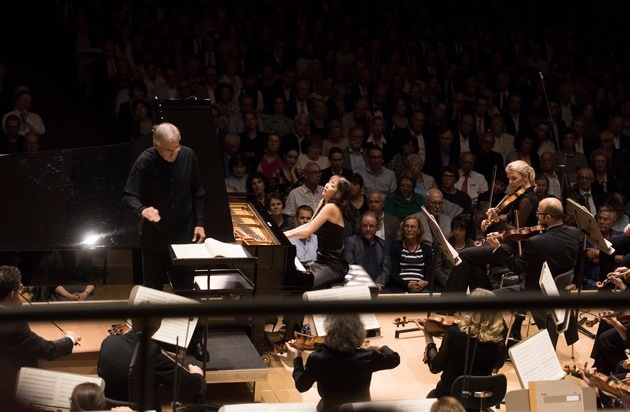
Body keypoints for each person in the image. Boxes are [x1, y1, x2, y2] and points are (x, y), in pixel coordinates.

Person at [121, 122, 206, 290]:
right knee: (153, 291)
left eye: (177, 147)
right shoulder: (145, 160)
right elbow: (128, 195)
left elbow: (198, 192)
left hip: (184, 236)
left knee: (186, 289)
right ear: (156, 145)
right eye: (168, 150)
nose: (174, 154)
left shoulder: (188, 155)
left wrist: (199, 222)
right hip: (155, 238)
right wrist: (142, 209)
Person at [490, 197, 581, 347]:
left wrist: (498, 249)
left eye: (539, 213)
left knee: (489, 298)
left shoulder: (537, 242)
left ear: (548, 217)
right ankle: (515, 329)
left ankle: (503, 343)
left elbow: (517, 267)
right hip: (560, 290)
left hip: (536, 292)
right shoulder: (574, 233)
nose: (536, 215)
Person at [443, 160, 539, 293]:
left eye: (514, 178)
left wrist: (497, 222)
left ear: (526, 177)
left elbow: (515, 231)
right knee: (473, 259)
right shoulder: (520, 196)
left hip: (518, 249)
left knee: (464, 255)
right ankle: (486, 298)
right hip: (511, 244)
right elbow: (508, 217)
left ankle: (449, 301)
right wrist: (492, 219)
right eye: (509, 178)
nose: (510, 182)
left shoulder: (527, 200)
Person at [285, 313, 400, 412]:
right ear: (359, 331)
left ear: (329, 331)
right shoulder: (368, 357)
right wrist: (380, 347)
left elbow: (301, 386)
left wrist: (297, 358)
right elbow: (394, 359)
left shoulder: (318, 358)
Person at [0, 266, 80, 395]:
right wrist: (70, 339)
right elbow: (48, 350)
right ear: (11, 294)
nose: (21, 290)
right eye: (19, 288)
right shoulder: (13, 324)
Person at [97, 316, 205, 411]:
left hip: (108, 407)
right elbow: (194, 386)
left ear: (132, 321)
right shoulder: (151, 353)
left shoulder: (108, 341)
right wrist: (198, 375)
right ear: (158, 325)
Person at [424, 288, 505, 398]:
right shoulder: (499, 342)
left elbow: (435, 367)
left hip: (449, 398)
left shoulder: (454, 334)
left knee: (431, 396)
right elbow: (497, 365)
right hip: (478, 401)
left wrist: (428, 337)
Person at [284, 175, 351, 290]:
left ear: (338, 193)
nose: (327, 185)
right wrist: (284, 234)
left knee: (301, 285)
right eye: (328, 182)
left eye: (332, 185)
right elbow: (308, 225)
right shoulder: (323, 202)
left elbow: (307, 232)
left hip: (334, 265)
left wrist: (283, 236)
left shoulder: (331, 207)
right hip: (321, 260)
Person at [344, 211, 391, 293]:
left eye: (371, 226)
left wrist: (378, 284)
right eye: (365, 225)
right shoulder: (351, 242)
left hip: (379, 286)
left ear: (377, 227)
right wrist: (368, 286)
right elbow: (350, 267)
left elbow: (386, 269)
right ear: (360, 226)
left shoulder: (383, 245)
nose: (368, 229)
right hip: (357, 286)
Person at [387, 215, 433, 293]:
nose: (409, 229)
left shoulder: (426, 249)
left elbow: (429, 273)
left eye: (413, 227)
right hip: (400, 287)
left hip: (421, 287)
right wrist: (408, 284)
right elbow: (393, 274)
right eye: (406, 226)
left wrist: (425, 282)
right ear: (403, 229)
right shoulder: (395, 247)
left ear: (418, 230)